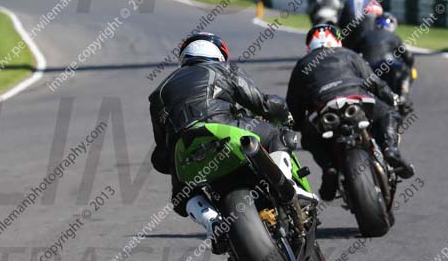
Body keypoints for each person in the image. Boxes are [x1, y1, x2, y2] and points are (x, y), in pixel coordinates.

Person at [149, 32, 295, 247]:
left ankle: (212, 223)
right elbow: (261, 104)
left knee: (181, 196)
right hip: (227, 129)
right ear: (220, 54)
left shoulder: (159, 92)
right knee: (276, 135)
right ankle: (287, 185)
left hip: (187, 148)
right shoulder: (224, 69)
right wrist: (283, 114)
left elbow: (163, 149)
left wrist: (170, 163)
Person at [286, 24, 415, 200]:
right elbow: (375, 83)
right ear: (337, 41)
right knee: (387, 112)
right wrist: (392, 99)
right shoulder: (349, 54)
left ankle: (329, 167)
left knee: (309, 138)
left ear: (309, 46)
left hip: (323, 109)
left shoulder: (303, 64)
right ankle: (390, 149)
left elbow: (293, 105)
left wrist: (299, 125)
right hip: (356, 99)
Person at [357, 13, 416, 104]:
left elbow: (352, 53)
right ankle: (403, 97)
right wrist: (410, 66)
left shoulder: (365, 35)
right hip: (387, 71)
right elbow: (408, 56)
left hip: (367, 71)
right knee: (408, 71)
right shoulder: (393, 37)